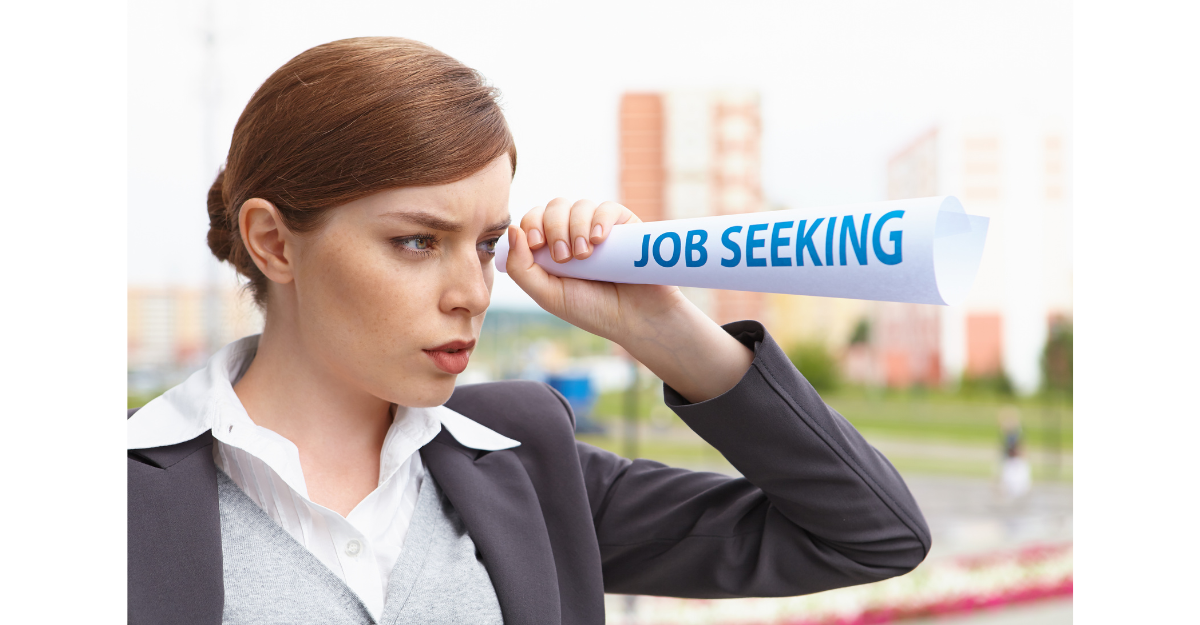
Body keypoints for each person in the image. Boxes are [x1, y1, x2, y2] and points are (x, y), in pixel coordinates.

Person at [126, 37, 930, 625]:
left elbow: (871, 534)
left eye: (485, 244)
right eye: (418, 241)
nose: (474, 292)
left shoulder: (526, 461)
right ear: (274, 242)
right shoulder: (143, 494)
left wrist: (661, 327)